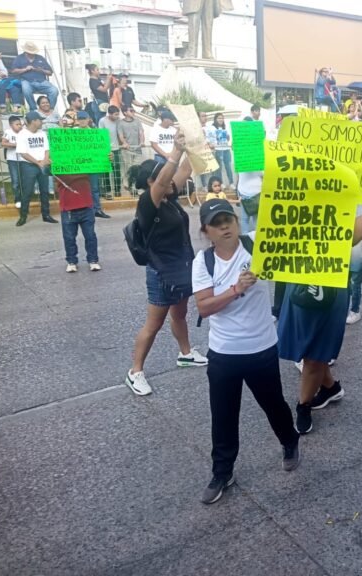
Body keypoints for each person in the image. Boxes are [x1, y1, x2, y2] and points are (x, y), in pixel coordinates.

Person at [193, 198, 300, 505]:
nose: (224, 227)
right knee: (223, 416)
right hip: (223, 353)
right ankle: (222, 471)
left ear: (237, 222)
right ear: (206, 231)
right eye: (216, 223)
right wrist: (235, 289)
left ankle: (289, 441)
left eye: (228, 219)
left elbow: (296, 233)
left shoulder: (256, 244)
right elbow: (204, 307)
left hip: (261, 348)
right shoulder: (203, 262)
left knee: (274, 404)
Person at [278, 165, 362, 435]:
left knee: (314, 357)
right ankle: (330, 388)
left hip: (328, 297)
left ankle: (303, 405)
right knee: (309, 351)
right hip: (299, 293)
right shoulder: (295, 219)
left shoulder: (342, 227)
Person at [125, 135, 208, 396]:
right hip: (161, 271)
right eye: (164, 176)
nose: (171, 180)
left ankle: (185, 353)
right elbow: (164, 178)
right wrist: (175, 150)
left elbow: (185, 169)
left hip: (181, 268)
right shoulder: (147, 204)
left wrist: (195, 142)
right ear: (152, 182)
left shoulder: (169, 198)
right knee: (154, 323)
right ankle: (135, 372)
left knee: (179, 314)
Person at [15, 111, 57, 226]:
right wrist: (38, 162)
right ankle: (23, 216)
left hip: (42, 164)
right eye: (39, 120)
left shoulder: (42, 133)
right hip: (29, 165)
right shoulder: (22, 134)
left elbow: (47, 149)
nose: (41, 122)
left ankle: (46, 214)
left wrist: (45, 160)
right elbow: (23, 153)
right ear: (33, 121)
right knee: (27, 191)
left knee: (44, 190)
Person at [56, 169, 100, 273]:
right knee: (69, 238)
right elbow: (45, 171)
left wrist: (106, 161)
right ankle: (71, 261)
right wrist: (47, 162)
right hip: (68, 208)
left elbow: (99, 167)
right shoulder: (58, 163)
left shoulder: (87, 166)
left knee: (90, 236)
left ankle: (93, 260)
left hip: (86, 206)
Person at [73, 111, 110, 219]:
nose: (82, 121)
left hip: (92, 165)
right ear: (77, 120)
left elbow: (101, 149)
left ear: (88, 119)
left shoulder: (95, 133)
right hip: (79, 166)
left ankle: (97, 209)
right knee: (80, 188)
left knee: (94, 188)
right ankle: (82, 209)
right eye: (80, 119)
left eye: (84, 118)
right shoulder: (72, 132)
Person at [10, 42, 59, 111]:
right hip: (27, 80)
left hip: (41, 81)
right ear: (26, 52)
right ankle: (34, 109)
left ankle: (49, 109)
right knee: (26, 90)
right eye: (30, 52)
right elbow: (13, 71)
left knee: (54, 90)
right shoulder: (19, 58)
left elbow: (50, 72)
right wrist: (25, 69)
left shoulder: (40, 58)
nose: (32, 54)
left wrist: (41, 70)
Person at [117, 105, 145, 195]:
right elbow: (120, 135)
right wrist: (124, 143)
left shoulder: (137, 121)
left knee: (137, 169)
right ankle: (128, 186)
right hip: (127, 150)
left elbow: (141, 132)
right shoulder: (120, 123)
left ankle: (134, 187)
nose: (133, 112)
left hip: (137, 149)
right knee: (128, 168)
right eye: (131, 110)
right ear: (125, 112)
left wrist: (142, 142)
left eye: (134, 110)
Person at [98, 105, 122, 198]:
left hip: (116, 149)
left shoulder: (118, 121)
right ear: (110, 114)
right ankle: (107, 191)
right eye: (115, 114)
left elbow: (120, 133)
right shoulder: (102, 121)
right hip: (106, 150)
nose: (117, 116)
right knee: (106, 171)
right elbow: (101, 135)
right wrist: (106, 148)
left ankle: (117, 190)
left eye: (118, 114)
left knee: (117, 171)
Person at [1, 115, 23, 208]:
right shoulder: (8, 132)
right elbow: (3, 143)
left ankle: (24, 198)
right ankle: (17, 199)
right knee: (15, 180)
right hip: (12, 159)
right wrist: (16, 145)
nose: (19, 126)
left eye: (20, 124)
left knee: (23, 180)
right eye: (17, 124)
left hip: (23, 159)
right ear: (11, 125)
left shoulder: (24, 132)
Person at [210, 113, 234, 187]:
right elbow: (211, 138)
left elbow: (228, 138)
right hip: (218, 149)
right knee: (219, 168)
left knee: (228, 167)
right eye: (219, 118)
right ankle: (221, 183)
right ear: (215, 119)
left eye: (222, 118)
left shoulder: (225, 128)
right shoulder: (212, 128)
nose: (221, 120)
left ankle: (231, 183)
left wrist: (228, 137)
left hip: (226, 149)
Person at [236, 169, 262, 233]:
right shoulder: (259, 163)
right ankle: (257, 235)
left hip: (243, 191)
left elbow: (238, 175)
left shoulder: (241, 163)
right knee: (256, 218)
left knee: (244, 219)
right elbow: (262, 174)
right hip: (257, 191)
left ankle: (245, 236)